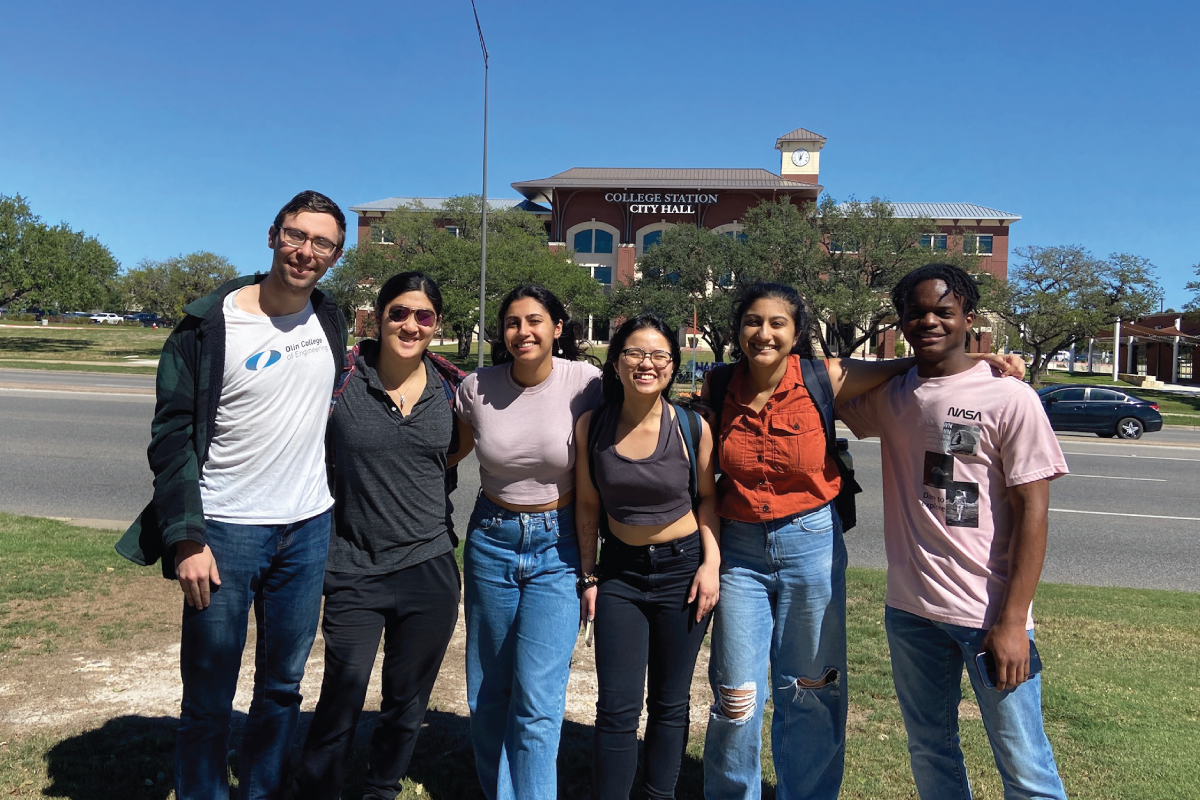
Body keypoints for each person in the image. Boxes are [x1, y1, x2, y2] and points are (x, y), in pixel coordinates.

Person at [700, 282, 1024, 800]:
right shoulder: (718, 386)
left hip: (811, 542)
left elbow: (910, 365)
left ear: (797, 333)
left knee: (810, 688)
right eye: (753, 322)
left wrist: (987, 359)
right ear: (738, 329)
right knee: (736, 694)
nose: (764, 333)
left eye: (777, 323)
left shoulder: (821, 378)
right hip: (739, 552)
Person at [116, 191, 348, 800]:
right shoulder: (208, 323)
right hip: (224, 530)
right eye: (296, 235)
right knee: (209, 695)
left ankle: (263, 789)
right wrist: (187, 537)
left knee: (282, 687)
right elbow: (170, 437)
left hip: (308, 527)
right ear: (272, 235)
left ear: (335, 254)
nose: (306, 251)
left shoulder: (330, 319)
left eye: (322, 243)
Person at [836, 263, 1069, 800]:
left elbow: (1034, 512)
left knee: (1024, 765)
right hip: (911, 612)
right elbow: (827, 378)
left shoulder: (1011, 398)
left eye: (944, 311)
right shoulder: (894, 394)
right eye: (916, 314)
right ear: (899, 322)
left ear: (969, 316)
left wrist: (1013, 623)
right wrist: (912, 360)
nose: (930, 322)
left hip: (988, 615)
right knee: (929, 748)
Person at [293, 272, 472, 800]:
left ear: (436, 325)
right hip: (352, 565)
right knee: (342, 693)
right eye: (399, 312)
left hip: (430, 567)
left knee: (406, 700)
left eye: (423, 316)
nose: (410, 325)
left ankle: (381, 788)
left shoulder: (453, 390)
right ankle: (318, 789)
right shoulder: (341, 379)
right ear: (377, 317)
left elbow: (453, 452)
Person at [454, 285, 602, 800]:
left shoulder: (587, 383)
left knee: (538, 701)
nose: (524, 332)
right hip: (491, 540)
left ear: (558, 328)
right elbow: (445, 450)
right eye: (513, 322)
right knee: (489, 693)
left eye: (535, 320)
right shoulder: (476, 388)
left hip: (557, 546)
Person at [575, 314, 720, 800]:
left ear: (673, 366)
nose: (647, 363)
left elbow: (708, 500)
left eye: (660, 355)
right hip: (619, 574)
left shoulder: (691, 427)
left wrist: (710, 564)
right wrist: (588, 577)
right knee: (616, 706)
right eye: (635, 353)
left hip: (682, 571)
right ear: (616, 362)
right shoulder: (591, 426)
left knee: (670, 703)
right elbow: (589, 504)